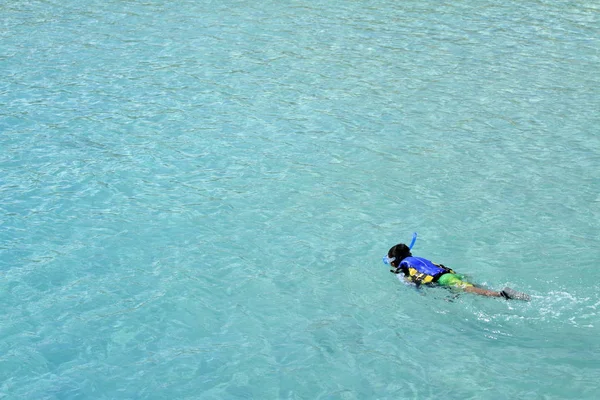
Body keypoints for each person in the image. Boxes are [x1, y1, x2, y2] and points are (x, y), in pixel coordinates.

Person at [383, 235, 530, 301]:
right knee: (475, 288)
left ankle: (502, 294)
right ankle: (509, 293)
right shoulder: (417, 259)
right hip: (451, 274)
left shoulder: (403, 267)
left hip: (446, 279)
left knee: (477, 292)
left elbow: (412, 283)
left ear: (395, 262)